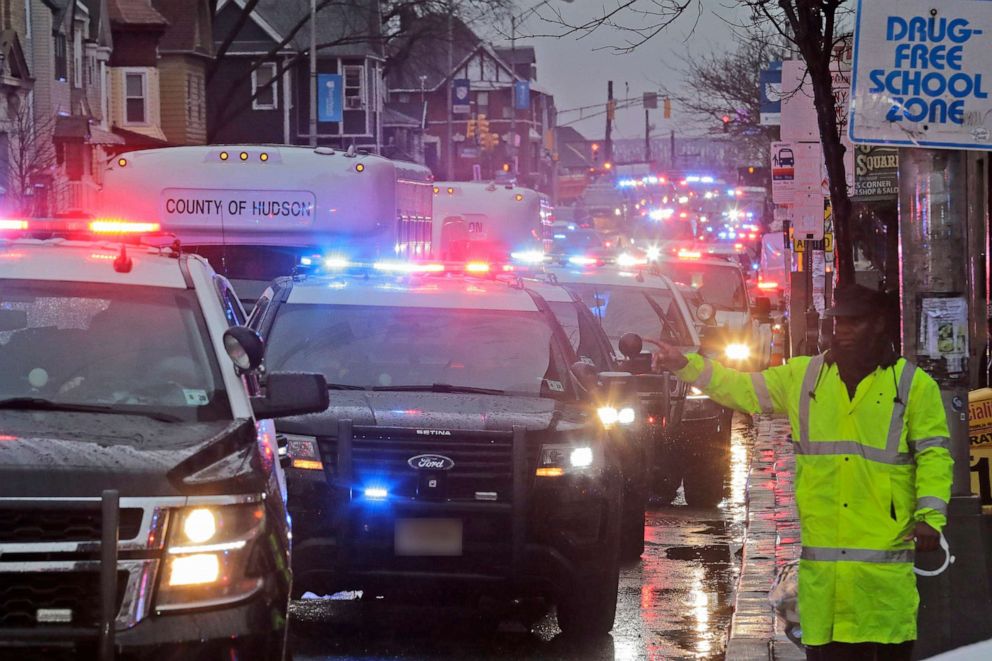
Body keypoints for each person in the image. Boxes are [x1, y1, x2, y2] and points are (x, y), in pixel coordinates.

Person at [649, 284, 953, 661]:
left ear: (878, 325)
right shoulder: (804, 377)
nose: (842, 330)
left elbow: (935, 455)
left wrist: (930, 517)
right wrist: (685, 365)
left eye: (854, 322)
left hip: (882, 579)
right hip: (824, 579)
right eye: (838, 321)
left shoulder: (912, 385)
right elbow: (740, 388)